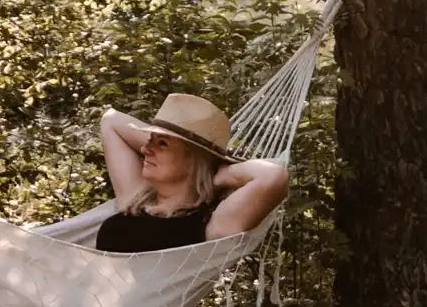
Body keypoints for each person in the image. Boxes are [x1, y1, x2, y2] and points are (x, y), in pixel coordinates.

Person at [93, 89, 288, 250]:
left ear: (193, 160)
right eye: (147, 141)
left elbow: (274, 176)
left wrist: (220, 176)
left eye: (162, 144)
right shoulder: (136, 199)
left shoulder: (211, 226)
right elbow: (110, 121)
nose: (144, 149)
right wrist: (161, 138)